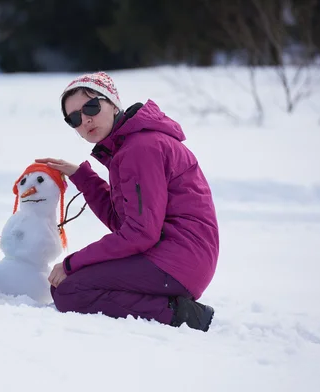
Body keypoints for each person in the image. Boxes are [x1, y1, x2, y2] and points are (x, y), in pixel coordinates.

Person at [37, 71, 219, 331]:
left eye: (91, 106)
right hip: (178, 259)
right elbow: (124, 224)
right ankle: (165, 301)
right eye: (74, 118)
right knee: (70, 286)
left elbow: (140, 233)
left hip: (178, 261)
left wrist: (71, 262)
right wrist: (83, 177)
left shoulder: (141, 148)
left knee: (70, 290)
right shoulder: (128, 147)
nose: (86, 119)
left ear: (112, 103)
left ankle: (180, 314)